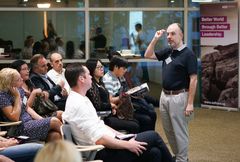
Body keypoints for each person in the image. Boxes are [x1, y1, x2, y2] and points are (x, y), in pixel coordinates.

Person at [62, 63, 173, 162]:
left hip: (108, 144)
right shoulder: (78, 104)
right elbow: (99, 139)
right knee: (153, 136)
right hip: (101, 152)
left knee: (155, 153)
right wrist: (127, 144)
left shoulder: (80, 98)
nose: (91, 76)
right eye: (88, 74)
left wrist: (120, 135)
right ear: (81, 79)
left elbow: (99, 126)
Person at [145, 23, 198, 162]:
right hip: (164, 96)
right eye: (167, 34)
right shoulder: (168, 51)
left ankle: (182, 159)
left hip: (180, 97)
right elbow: (148, 54)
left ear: (181, 35)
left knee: (179, 131)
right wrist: (155, 38)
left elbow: (193, 79)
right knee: (168, 130)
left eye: (173, 33)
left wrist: (190, 103)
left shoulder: (189, 54)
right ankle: (178, 156)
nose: (169, 37)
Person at [0, 68, 62, 142]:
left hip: (30, 123)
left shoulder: (20, 90)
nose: (22, 80)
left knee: (55, 135)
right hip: (18, 128)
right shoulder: (2, 95)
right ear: (10, 83)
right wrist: (17, 97)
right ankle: (72, 147)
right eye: (18, 79)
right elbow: (15, 118)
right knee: (54, 121)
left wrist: (42, 120)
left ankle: (56, 153)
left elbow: (27, 108)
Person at [103, 55, 156, 132]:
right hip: (121, 109)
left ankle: (150, 139)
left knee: (151, 112)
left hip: (127, 105)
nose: (125, 71)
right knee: (147, 118)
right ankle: (145, 139)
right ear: (116, 67)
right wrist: (124, 95)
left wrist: (133, 92)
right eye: (123, 68)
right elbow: (110, 100)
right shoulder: (108, 80)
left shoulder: (118, 76)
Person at [86, 58, 139, 133]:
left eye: (102, 67)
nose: (101, 69)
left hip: (110, 112)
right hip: (104, 118)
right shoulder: (92, 85)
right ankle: (129, 143)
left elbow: (106, 100)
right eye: (98, 67)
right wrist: (111, 106)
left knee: (136, 120)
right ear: (91, 69)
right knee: (134, 125)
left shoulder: (100, 82)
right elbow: (97, 104)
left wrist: (111, 107)